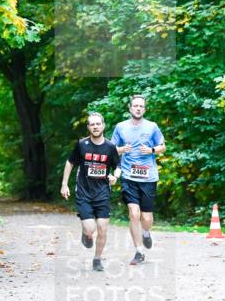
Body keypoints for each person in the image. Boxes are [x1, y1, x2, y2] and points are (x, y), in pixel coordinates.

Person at [60, 112, 121, 271]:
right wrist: (64, 185)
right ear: (88, 127)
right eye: (92, 124)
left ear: (103, 126)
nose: (95, 127)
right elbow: (69, 163)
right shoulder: (81, 144)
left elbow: (118, 166)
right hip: (84, 192)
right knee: (90, 229)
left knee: (102, 228)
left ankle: (97, 259)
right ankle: (86, 233)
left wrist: (115, 176)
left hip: (102, 193)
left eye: (98, 124)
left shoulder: (110, 147)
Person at [110, 95, 166, 265]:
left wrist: (151, 150)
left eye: (141, 106)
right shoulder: (121, 127)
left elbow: (163, 147)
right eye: (135, 105)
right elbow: (111, 150)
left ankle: (146, 232)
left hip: (148, 177)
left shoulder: (152, 127)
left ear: (145, 109)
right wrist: (121, 149)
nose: (138, 108)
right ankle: (139, 251)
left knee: (146, 218)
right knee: (134, 214)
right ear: (130, 108)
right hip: (128, 177)